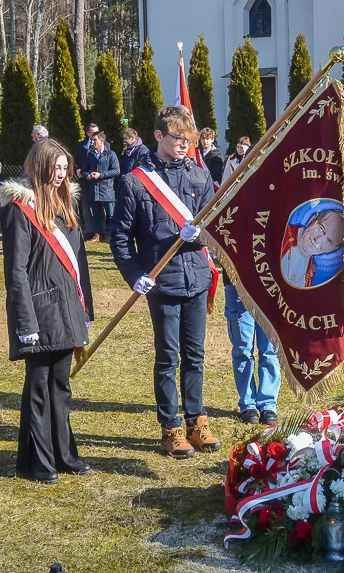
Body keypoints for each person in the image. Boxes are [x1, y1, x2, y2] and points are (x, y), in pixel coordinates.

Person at [110, 106, 222, 458]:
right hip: (162, 282)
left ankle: (196, 420)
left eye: (189, 140)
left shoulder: (200, 179)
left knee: (196, 355)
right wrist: (134, 275)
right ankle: (170, 426)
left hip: (196, 278)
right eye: (178, 139)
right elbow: (121, 237)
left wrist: (201, 234)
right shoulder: (135, 182)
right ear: (159, 136)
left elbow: (214, 227)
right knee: (168, 356)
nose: (185, 145)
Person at [0, 138, 94, 484]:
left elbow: (78, 264)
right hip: (38, 310)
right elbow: (16, 271)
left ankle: (64, 454)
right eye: (56, 168)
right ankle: (39, 460)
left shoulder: (67, 206)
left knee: (61, 385)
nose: (61, 174)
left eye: (65, 168)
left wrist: (86, 310)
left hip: (67, 307)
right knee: (38, 386)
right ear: (39, 167)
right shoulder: (18, 210)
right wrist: (25, 321)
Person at [223, 268, 281, 425]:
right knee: (242, 350)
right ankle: (248, 404)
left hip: (271, 286)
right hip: (237, 284)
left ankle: (268, 404)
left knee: (270, 350)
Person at [280, 203, 344, 288]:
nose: (317, 240)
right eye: (321, 229)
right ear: (312, 220)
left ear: (331, 250)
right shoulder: (283, 234)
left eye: (328, 241)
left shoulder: (311, 270)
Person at [84, 131, 120, 242]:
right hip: (94, 189)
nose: (93, 142)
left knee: (112, 214)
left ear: (102, 141)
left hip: (107, 189)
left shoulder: (110, 154)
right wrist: (88, 176)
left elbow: (116, 171)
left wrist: (101, 175)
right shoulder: (90, 154)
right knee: (96, 214)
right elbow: (84, 169)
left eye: (95, 140)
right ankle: (99, 234)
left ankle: (115, 235)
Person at [74, 123, 99, 238]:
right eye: (93, 132)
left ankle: (99, 231)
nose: (95, 134)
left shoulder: (103, 144)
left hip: (97, 181)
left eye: (97, 132)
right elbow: (75, 160)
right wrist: (77, 170)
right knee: (85, 206)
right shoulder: (80, 145)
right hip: (84, 180)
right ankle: (89, 230)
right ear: (88, 133)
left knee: (97, 206)